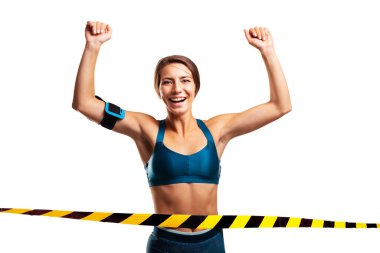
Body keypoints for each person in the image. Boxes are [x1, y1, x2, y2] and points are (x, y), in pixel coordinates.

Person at [72, 21, 291, 253]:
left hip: (211, 243)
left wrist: (268, 51)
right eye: (167, 82)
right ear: (159, 90)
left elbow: (280, 106)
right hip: (166, 244)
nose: (177, 89)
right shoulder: (146, 129)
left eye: (185, 80)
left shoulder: (217, 130)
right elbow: (84, 103)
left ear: (196, 87)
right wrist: (92, 47)